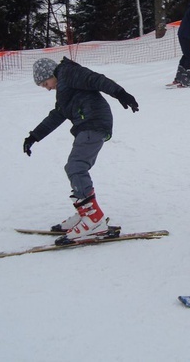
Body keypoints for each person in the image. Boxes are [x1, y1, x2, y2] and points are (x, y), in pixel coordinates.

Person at [22, 57, 139, 245]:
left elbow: (96, 79)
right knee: (74, 167)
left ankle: (94, 220)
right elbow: (57, 115)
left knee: (76, 167)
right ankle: (85, 214)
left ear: (51, 74)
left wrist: (121, 94)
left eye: (45, 83)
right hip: (88, 124)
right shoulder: (63, 88)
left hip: (94, 122)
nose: (47, 88)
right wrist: (34, 136)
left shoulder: (69, 73)